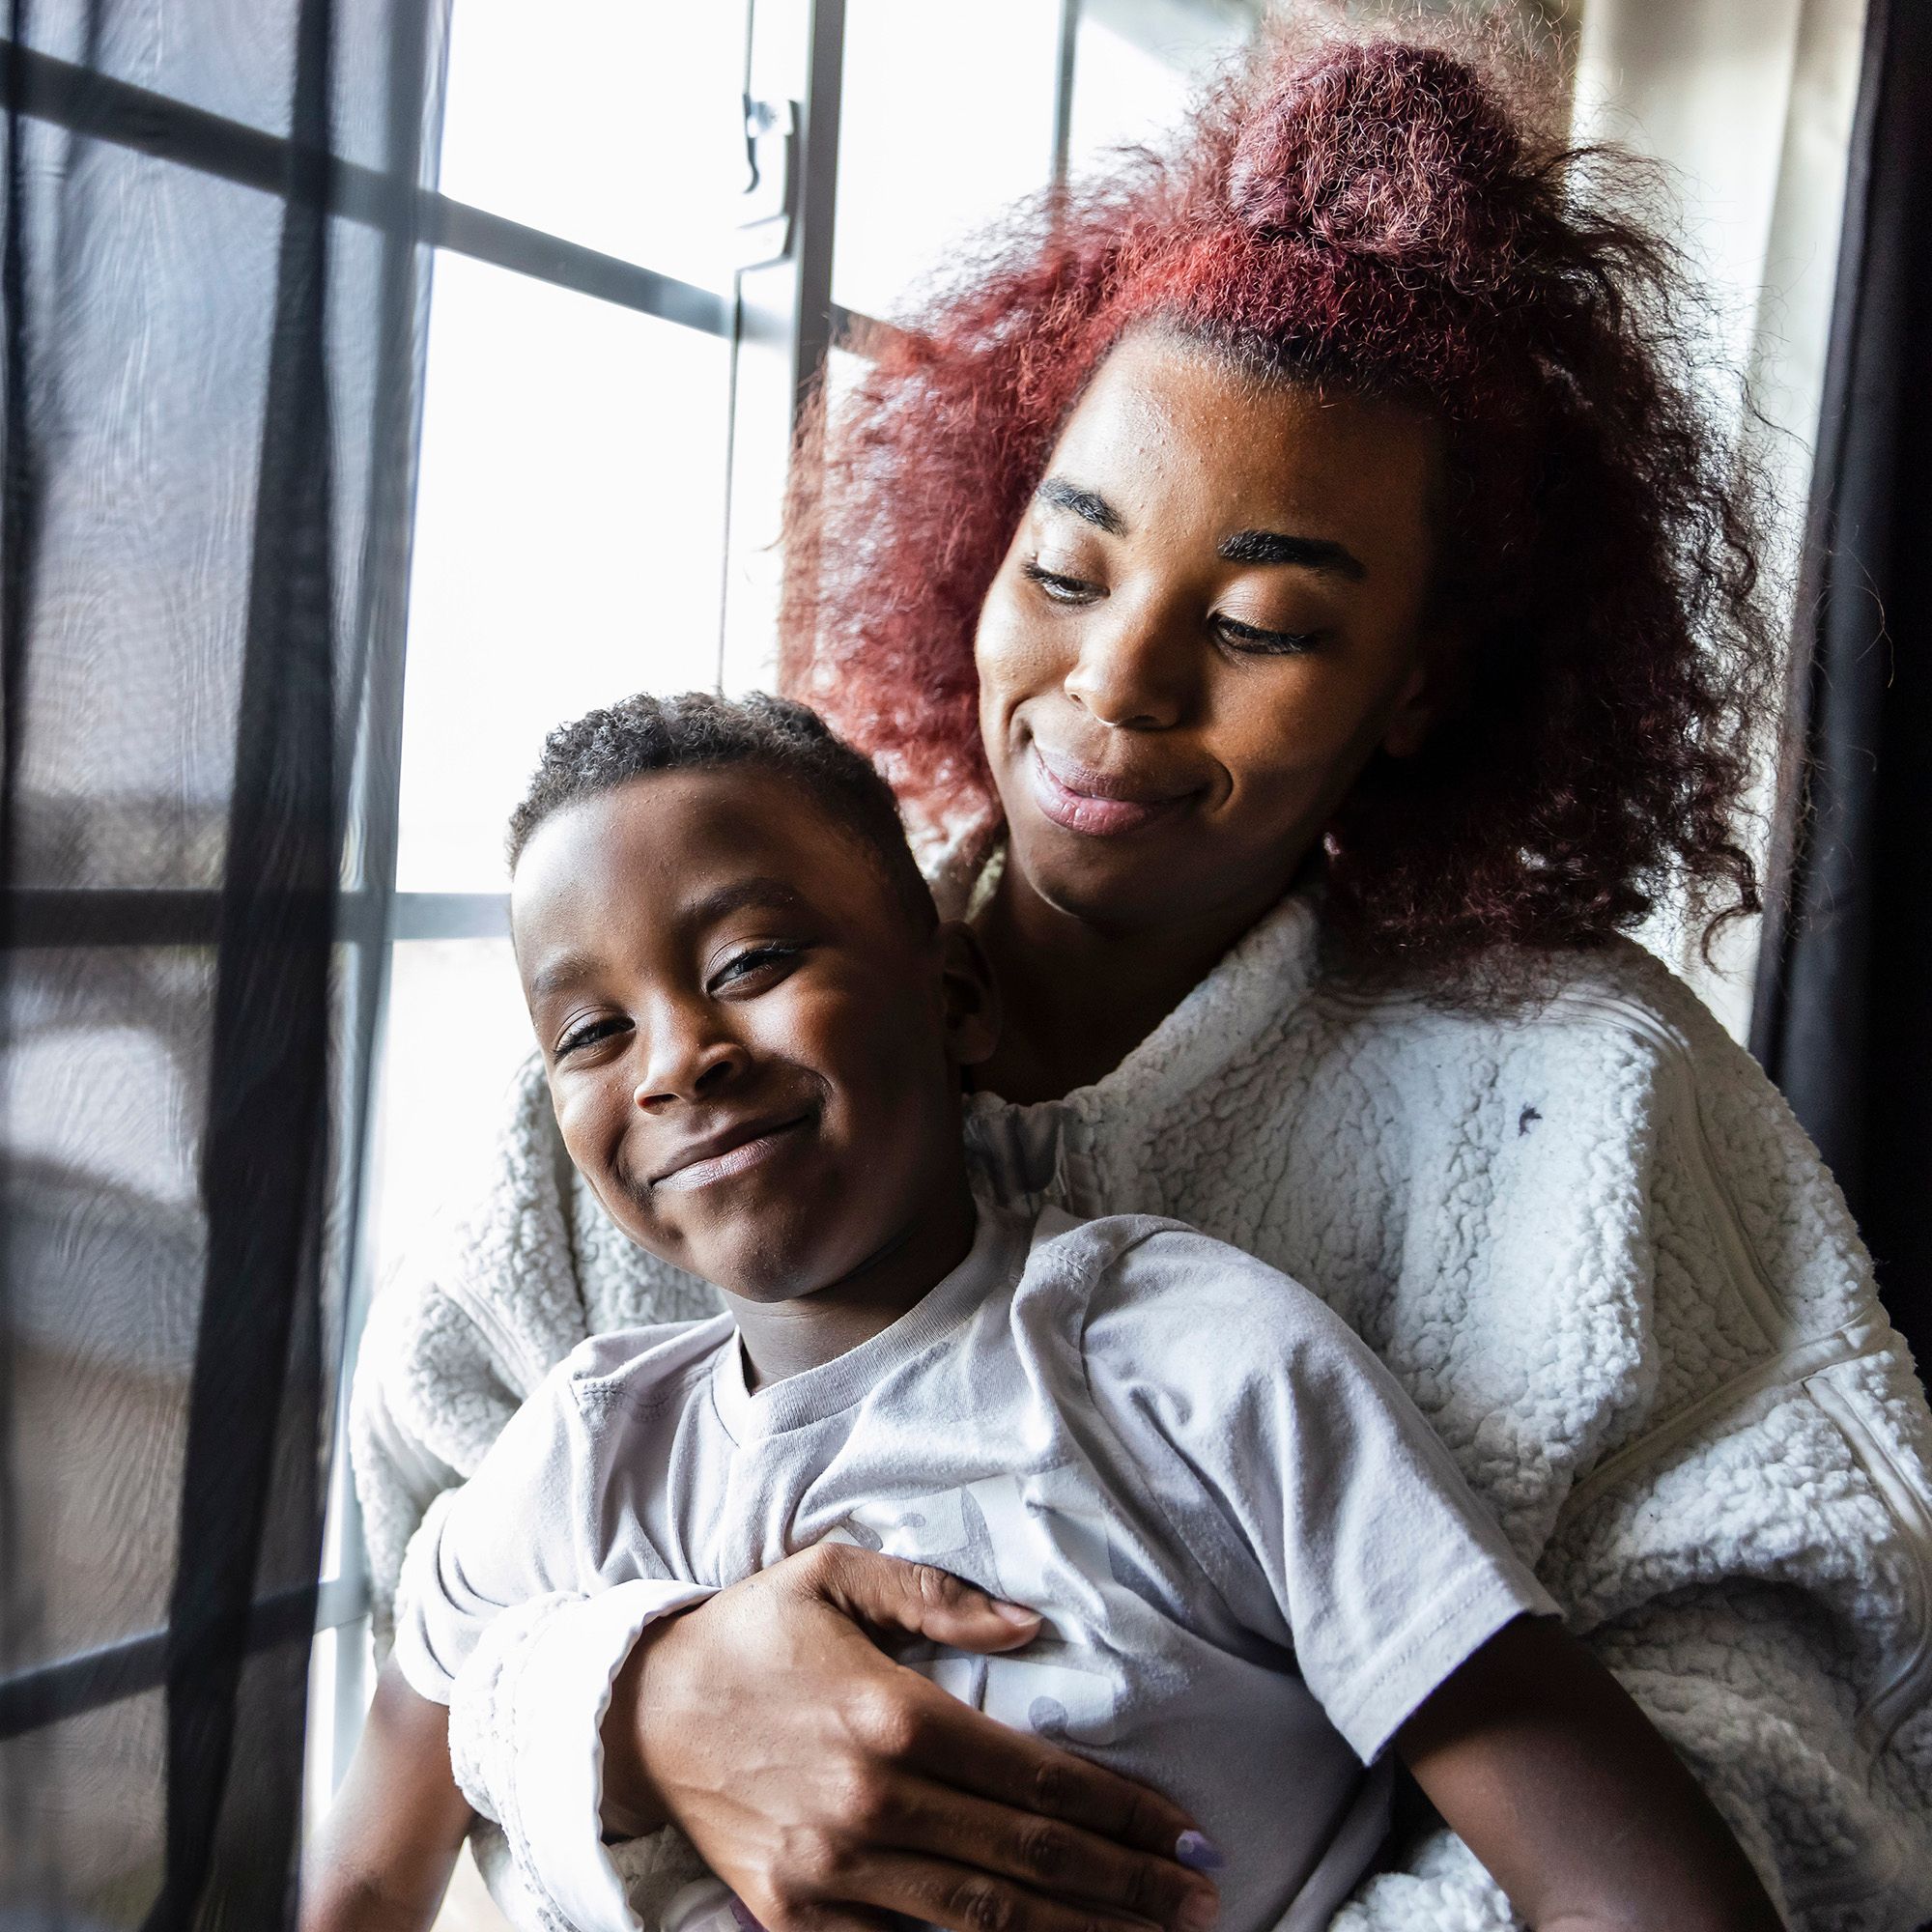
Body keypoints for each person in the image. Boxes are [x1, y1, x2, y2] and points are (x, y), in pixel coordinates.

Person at [351, 23, 1932, 1932]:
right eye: (1068, 565)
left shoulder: (1588, 1099)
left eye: (1262, 623)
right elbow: (421, 1605)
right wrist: (636, 1694)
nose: (1114, 688)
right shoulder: (672, 1066)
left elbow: (1782, 1730)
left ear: (1421, 681)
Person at [309, 692, 1783, 1932]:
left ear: (956, 1000)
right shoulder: (583, 1456)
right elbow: (374, 1864)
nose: (677, 1059)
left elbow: (1643, 1895)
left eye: (750, 962)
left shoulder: (1186, 1361)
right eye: (591, 1031)